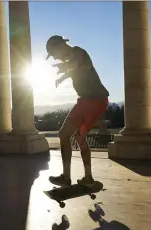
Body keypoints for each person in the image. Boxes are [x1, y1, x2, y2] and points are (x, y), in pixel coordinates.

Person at [46, 35, 109, 188]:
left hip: (92, 100)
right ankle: (88, 178)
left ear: (60, 46)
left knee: (63, 134)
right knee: (79, 138)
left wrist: (65, 68)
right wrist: (62, 77)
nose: (56, 58)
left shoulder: (79, 52)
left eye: (54, 54)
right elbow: (74, 68)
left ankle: (66, 178)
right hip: (93, 101)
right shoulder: (73, 60)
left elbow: (76, 63)